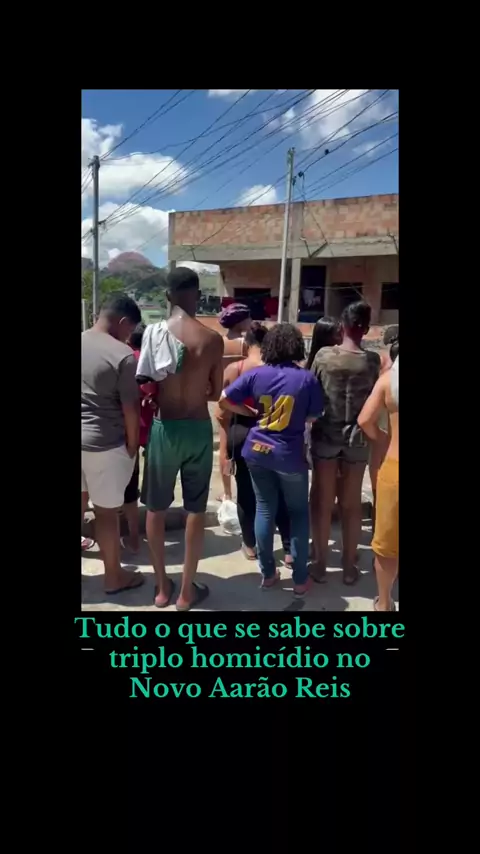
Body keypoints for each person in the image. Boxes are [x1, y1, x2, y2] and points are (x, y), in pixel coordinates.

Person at [140, 267, 224, 611]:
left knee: (156, 508)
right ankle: (187, 593)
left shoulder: (153, 333)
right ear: (198, 295)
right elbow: (215, 393)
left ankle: (162, 588)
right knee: (195, 509)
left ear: (167, 296)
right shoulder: (213, 339)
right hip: (198, 428)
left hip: (166, 427)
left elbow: (146, 381)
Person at [219, 323, 323, 598]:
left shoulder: (256, 374)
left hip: (256, 451)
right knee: (298, 513)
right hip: (289, 455)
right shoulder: (306, 379)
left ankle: (267, 574)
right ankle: (299, 579)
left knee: (264, 509)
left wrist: (250, 411)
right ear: (297, 346)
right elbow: (314, 416)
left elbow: (224, 400)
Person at [309, 301, 380, 585]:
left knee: (322, 502)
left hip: (326, 434)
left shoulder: (324, 356)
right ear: (366, 328)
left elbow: (311, 388)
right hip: (357, 438)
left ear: (342, 325)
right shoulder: (372, 361)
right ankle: (349, 566)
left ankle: (320, 564)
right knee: (351, 505)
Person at [81, 294, 144, 593]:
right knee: (106, 514)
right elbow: (131, 408)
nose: (129, 335)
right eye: (130, 329)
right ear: (122, 321)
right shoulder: (122, 354)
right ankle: (114, 578)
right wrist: (132, 446)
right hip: (104, 444)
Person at [215, 322, 292, 563]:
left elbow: (222, 413)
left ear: (245, 344)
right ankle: (288, 548)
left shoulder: (234, 369)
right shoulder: (278, 371)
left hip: (242, 434)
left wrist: (225, 450)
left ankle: (250, 545)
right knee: (278, 492)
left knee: (246, 493)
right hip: (272, 434)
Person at [358, 352, 399, 611]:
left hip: (395, 467)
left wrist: (385, 440)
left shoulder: (388, 381)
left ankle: (384, 604)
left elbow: (364, 420)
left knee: (387, 545)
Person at [121, 323, 157, 554]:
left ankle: (133, 537)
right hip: (153, 430)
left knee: (128, 487)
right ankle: (148, 534)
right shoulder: (152, 361)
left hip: (129, 431)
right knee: (154, 485)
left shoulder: (124, 360)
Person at [218, 302, 252, 499]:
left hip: (222, 399)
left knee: (224, 449)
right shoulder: (244, 344)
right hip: (241, 402)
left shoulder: (219, 343)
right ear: (240, 322)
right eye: (248, 318)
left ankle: (227, 493)